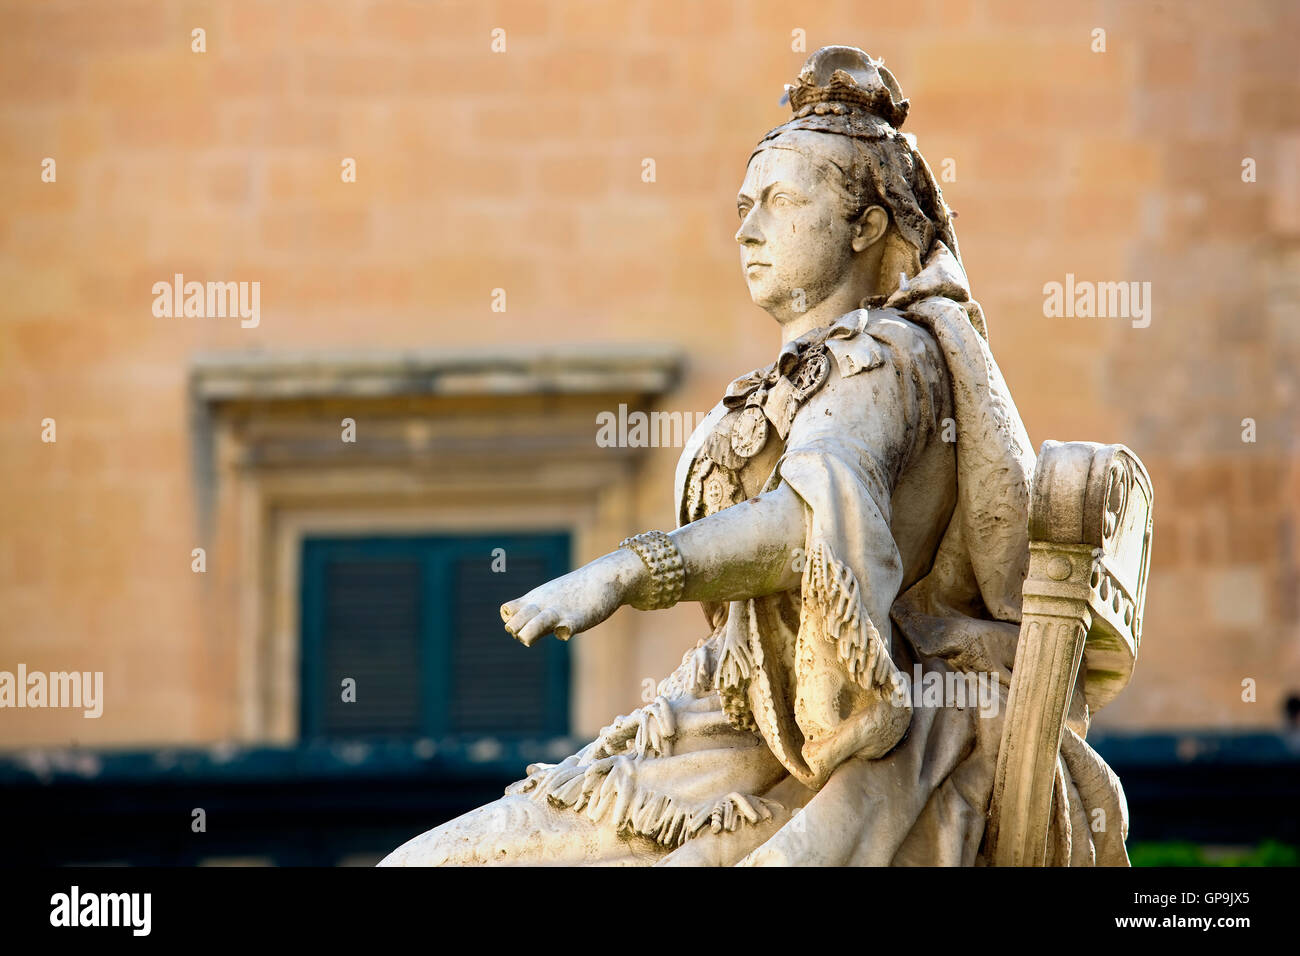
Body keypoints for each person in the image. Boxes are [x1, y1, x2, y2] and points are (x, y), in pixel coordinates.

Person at [381, 45, 1130, 867]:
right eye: (744, 204)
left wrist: (627, 572)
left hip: (816, 752)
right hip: (726, 726)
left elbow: (807, 525)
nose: (746, 228)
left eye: (778, 201)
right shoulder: (792, 375)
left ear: (866, 224)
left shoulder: (885, 356)